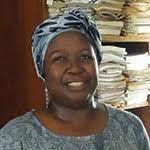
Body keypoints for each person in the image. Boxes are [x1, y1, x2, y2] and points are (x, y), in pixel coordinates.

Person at [0, 8, 149, 150]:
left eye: (85, 57)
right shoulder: (14, 139)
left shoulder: (131, 127)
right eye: (60, 58)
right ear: (42, 69)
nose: (75, 68)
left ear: (98, 63)